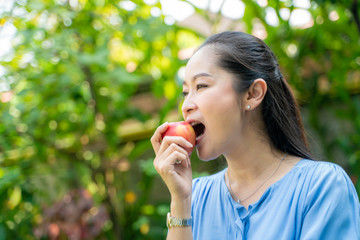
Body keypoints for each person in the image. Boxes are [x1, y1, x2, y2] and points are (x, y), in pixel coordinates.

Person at [150, 31, 360, 240]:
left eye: (201, 86)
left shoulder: (321, 187)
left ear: (253, 93)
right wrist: (180, 202)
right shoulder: (194, 198)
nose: (186, 106)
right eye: (186, 93)